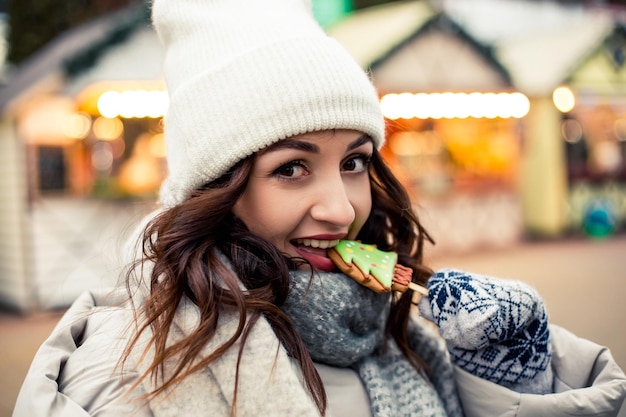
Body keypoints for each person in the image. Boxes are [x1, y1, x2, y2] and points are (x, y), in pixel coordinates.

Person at [13, 0, 626, 416]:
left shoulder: (403, 336)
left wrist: (514, 381)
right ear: (215, 190)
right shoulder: (134, 369)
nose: (340, 209)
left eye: (354, 162)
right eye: (291, 168)